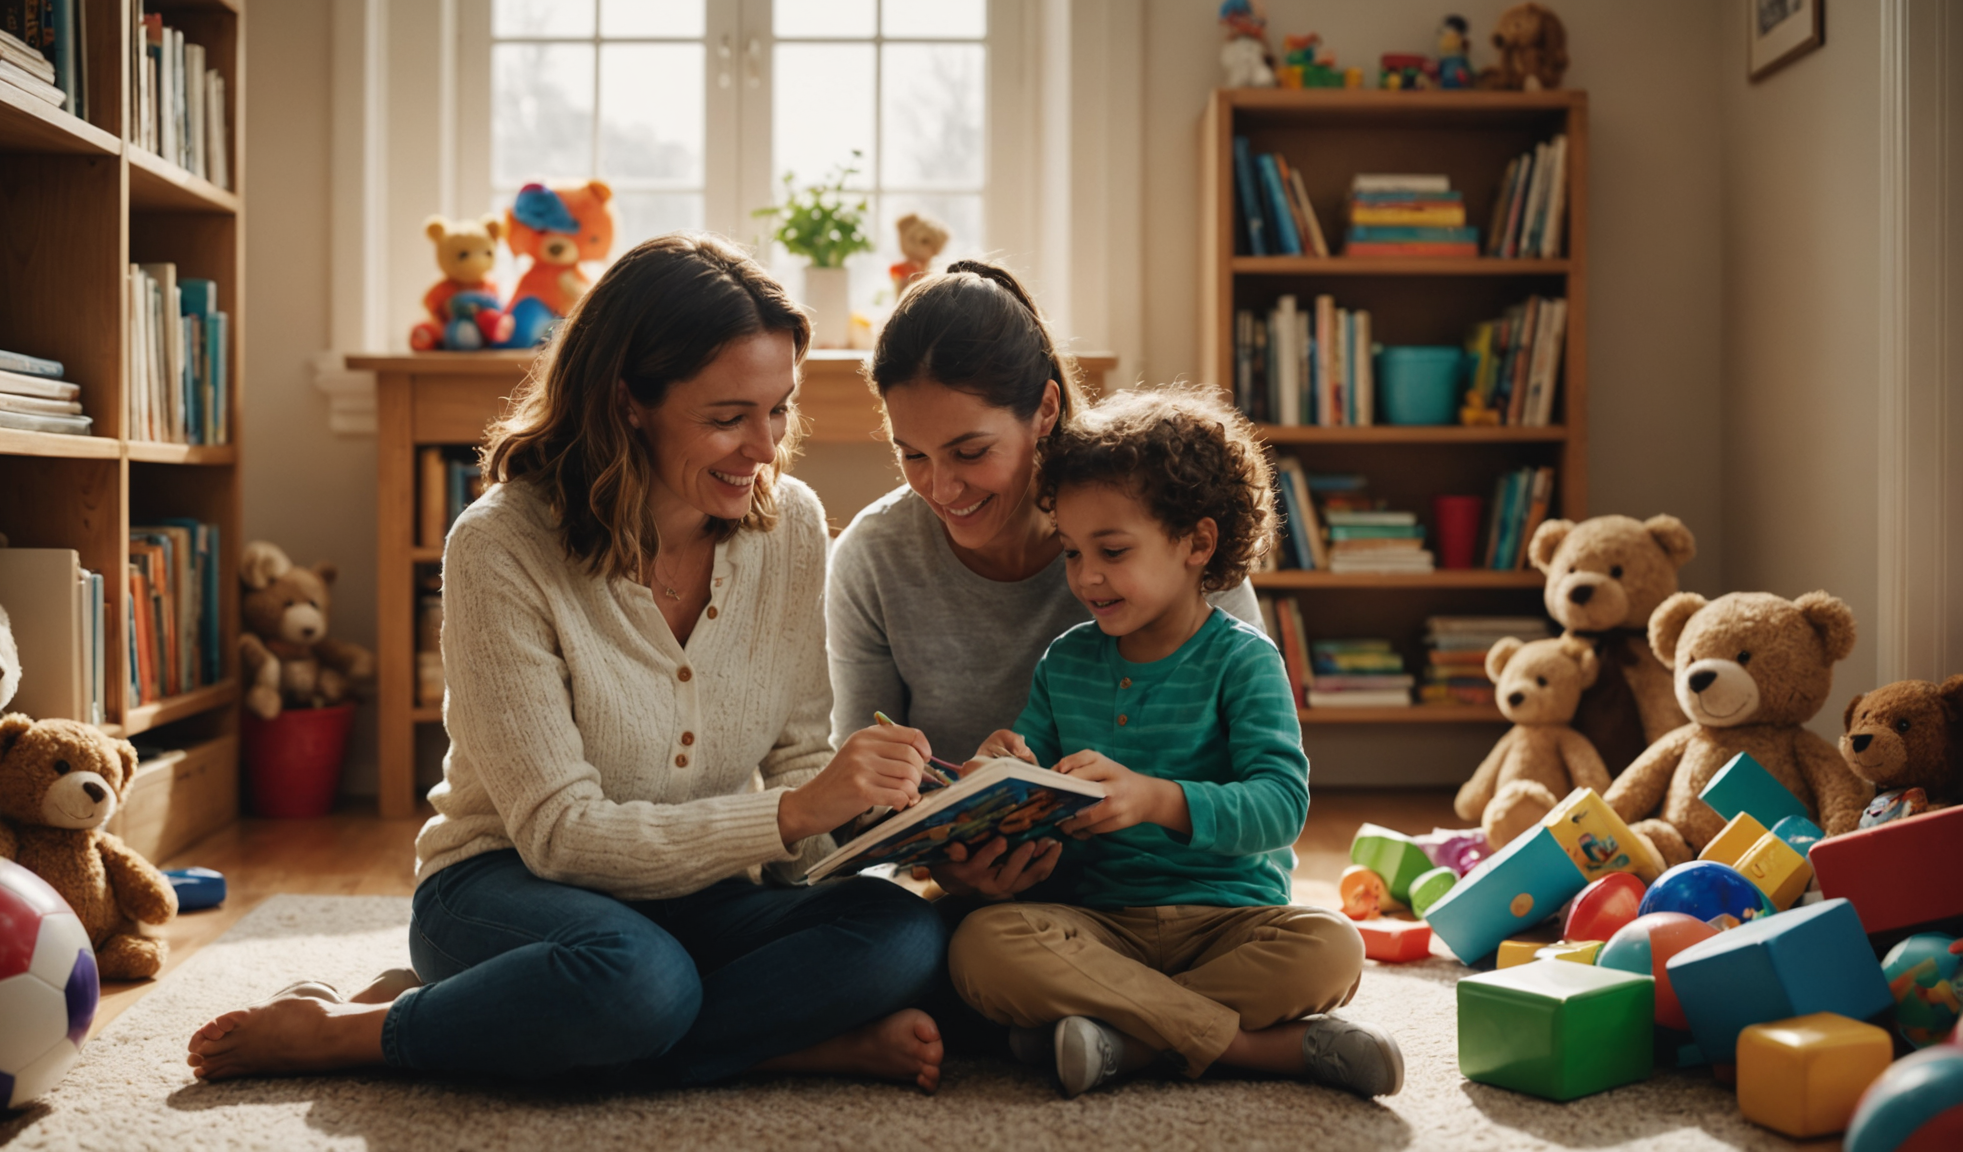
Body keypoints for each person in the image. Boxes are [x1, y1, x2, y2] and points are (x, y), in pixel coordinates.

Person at [187, 235, 949, 1091]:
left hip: (702, 893)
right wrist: (797, 812)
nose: (765, 448)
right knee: (633, 982)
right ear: (629, 400)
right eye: (728, 417)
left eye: (779, 409)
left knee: (904, 935)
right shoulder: (500, 546)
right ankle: (351, 1034)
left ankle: (537, 1020)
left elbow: (800, 758)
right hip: (505, 887)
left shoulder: (792, 526)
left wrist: (903, 819)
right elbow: (560, 837)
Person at [945, 387, 1405, 1099]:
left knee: (1331, 947)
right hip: (1097, 924)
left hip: (1230, 919)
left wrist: (1157, 801)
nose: (1086, 576)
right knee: (980, 947)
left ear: (1197, 542)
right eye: (1071, 552)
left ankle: (1119, 1038)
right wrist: (1003, 770)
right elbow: (1032, 790)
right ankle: (1258, 1050)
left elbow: (1281, 805)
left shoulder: (1243, 660)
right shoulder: (1064, 663)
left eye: (1113, 550)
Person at [828, 260, 1267, 902]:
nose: (941, 489)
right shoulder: (875, 555)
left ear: (1045, 409)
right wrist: (941, 861)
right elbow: (858, 806)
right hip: (976, 902)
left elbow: (1259, 765)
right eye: (912, 455)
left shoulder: (1159, 518)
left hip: (1178, 887)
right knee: (893, 944)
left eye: (971, 452)